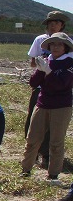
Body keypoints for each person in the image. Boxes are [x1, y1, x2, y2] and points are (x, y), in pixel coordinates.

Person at [21, 32, 73, 183]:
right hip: (42, 103)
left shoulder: (69, 63)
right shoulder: (45, 60)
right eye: (53, 44)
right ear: (49, 47)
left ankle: (53, 174)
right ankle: (26, 169)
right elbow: (33, 83)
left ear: (65, 47)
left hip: (61, 106)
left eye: (59, 44)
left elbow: (62, 84)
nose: (56, 47)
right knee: (32, 138)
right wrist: (40, 70)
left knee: (56, 141)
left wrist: (48, 72)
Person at [25, 11, 68, 166]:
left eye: (56, 23)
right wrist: (40, 65)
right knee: (33, 119)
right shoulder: (40, 40)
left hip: (59, 90)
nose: (52, 25)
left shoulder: (68, 42)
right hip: (41, 87)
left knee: (54, 124)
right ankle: (31, 155)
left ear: (62, 25)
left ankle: (47, 156)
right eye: (50, 23)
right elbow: (31, 63)